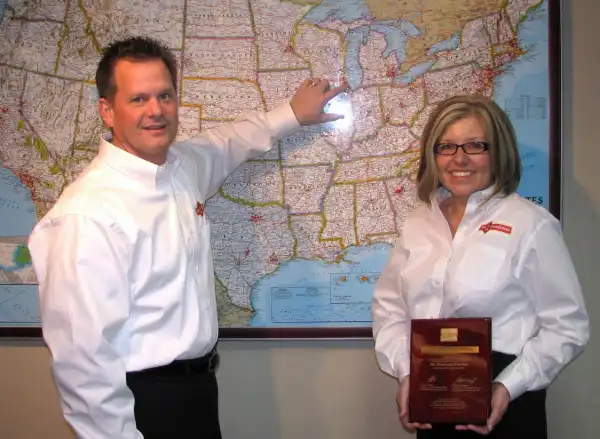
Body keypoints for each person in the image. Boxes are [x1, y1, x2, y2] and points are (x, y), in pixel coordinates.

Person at [27, 36, 347, 439]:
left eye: (165, 95)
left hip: (196, 394)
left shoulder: (180, 168)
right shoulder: (86, 215)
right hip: (141, 404)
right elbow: (82, 361)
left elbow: (227, 144)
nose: (156, 111)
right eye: (138, 99)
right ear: (107, 111)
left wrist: (290, 115)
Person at [371, 94, 589, 439]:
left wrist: (507, 386)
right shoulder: (418, 223)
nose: (459, 159)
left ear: (497, 152)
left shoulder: (531, 225)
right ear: (433, 154)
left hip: (506, 400)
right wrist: (407, 374)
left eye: (475, 145)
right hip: (433, 397)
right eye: (447, 146)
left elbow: (567, 326)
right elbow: (389, 309)